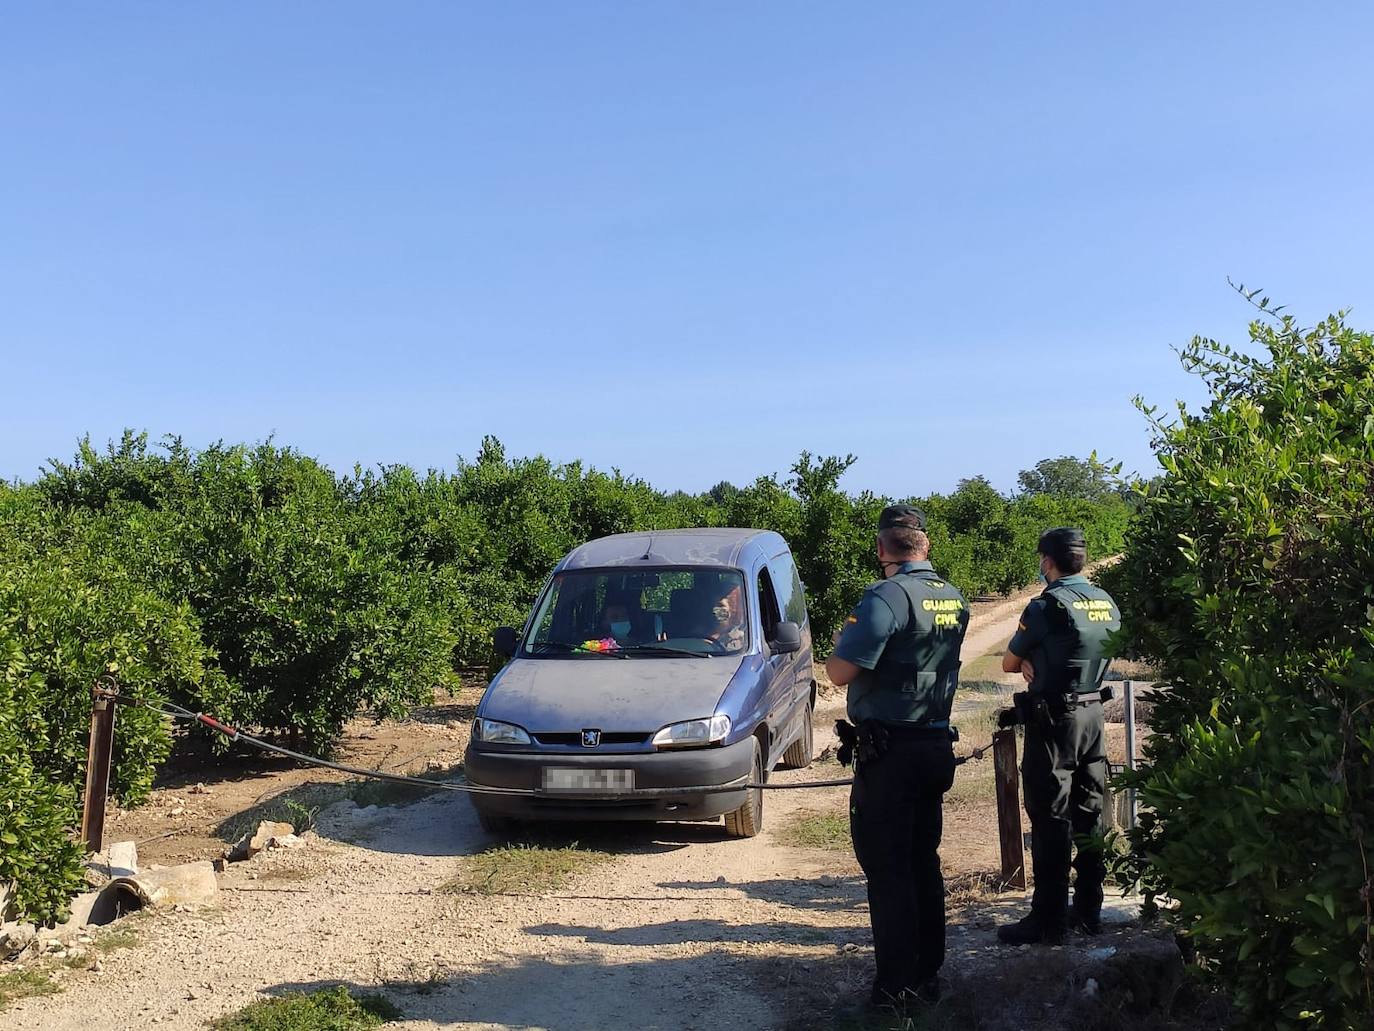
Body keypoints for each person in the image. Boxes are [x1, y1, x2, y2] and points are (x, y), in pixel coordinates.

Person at [825, 504, 970, 1007]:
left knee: (887, 869)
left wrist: (832, 655)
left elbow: (840, 672)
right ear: (924, 546)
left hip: (891, 751)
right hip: (934, 743)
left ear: (882, 549)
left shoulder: (885, 597)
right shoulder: (952, 596)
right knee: (921, 861)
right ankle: (929, 972)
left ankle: (894, 987)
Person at [997, 527, 1122, 946]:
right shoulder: (1106, 602)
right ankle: (1089, 910)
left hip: (1055, 720)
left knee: (1050, 815)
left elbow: (1009, 661)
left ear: (1047, 561)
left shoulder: (1046, 606)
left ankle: (1048, 919)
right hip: (1093, 714)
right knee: (1090, 813)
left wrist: (1032, 657)